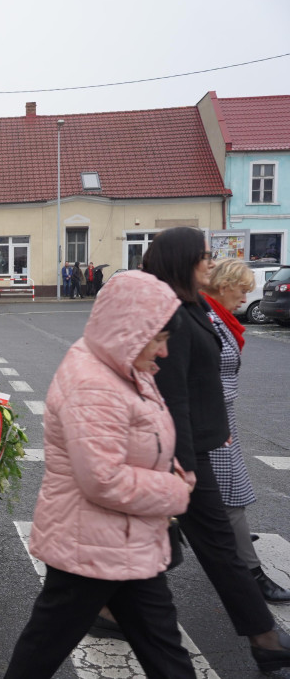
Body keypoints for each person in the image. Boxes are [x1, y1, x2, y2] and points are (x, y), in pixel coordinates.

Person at [3, 271, 196, 679]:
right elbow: (102, 479)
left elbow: (141, 438)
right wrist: (174, 490)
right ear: (131, 331)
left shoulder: (122, 366)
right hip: (89, 547)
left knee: (166, 652)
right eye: (159, 339)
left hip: (123, 540)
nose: (164, 351)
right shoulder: (95, 384)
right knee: (42, 651)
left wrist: (173, 470)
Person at [145, 226, 290, 672]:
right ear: (183, 262)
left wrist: (217, 426)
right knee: (217, 547)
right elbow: (174, 395)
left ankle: (266, 638)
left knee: (199, 546)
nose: (211, 262)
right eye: (204, 256)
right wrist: (184, 464)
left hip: (198, 443)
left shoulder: (194, 306)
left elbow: (205, 380)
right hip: (183, 451)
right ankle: (266, 637)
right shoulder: (171, 312)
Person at [202, 260, 290, 603]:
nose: (246, 297)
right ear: (224, 286)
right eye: (242, 289)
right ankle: (251, 575)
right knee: (229, 497)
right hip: (210, 421)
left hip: (220, 417)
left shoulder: (219, 317)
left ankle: (225, 540)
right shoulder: (207, 318)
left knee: (217, 497)